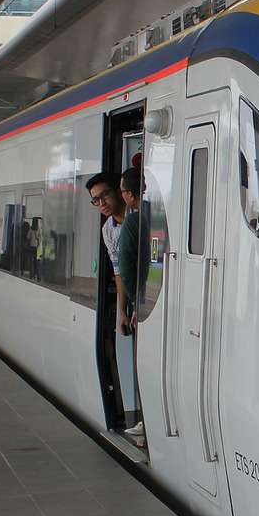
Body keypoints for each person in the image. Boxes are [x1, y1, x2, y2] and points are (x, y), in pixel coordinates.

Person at [113, 167, 148, 443]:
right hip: (158, 300)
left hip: (144, 305)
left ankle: (146, 424)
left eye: (122, 190)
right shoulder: (157, 216)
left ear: (130, 195)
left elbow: (125, 266)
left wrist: (135, 302)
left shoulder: (133, 221)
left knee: (144, 365)